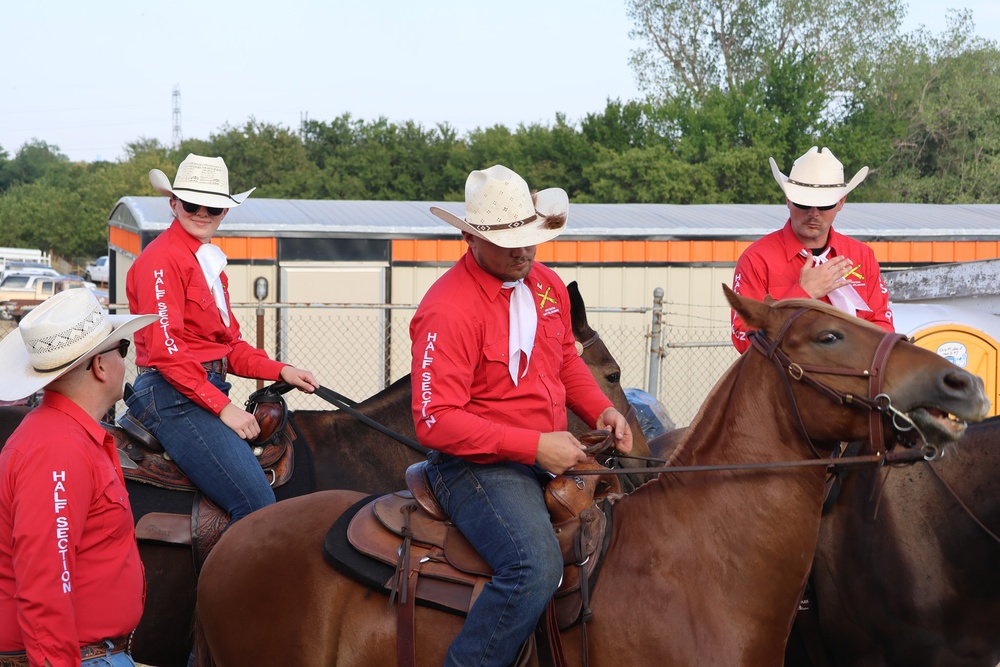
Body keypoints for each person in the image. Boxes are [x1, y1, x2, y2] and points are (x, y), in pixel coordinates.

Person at [410, 164, 633, 667]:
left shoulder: (547, 286)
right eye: (510, 240)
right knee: (532, 567)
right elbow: (435, 421)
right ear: (470, 238)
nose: (525, 251)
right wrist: (534, 446)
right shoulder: (447, 308)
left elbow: (566, 361)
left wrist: (599, 409)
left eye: (531, 237)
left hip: (544, 450)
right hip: (474, 465)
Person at [125, 154, 318, 523]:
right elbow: (167, 353)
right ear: (173, 204)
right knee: (258, 507)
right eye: (191, 204)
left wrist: (283, 370)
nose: (201, 213)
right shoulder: (162, 260)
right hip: (172, 396)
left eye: (212, 206)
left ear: (224, 212)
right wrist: (222, 407)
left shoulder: (207, 263)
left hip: (198, 389)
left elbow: (229, 349)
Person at [0, 289, 158, 667]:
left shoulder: (63, 437)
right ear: (100, 367)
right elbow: (45, 585)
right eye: (122, 348)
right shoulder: (58, 448)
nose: (126, 359)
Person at [731, 146, 894, 352]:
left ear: (841, 202)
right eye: (804, 203)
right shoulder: (756, 259)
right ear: (788, 200)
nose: (813, 213)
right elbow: (744, 340)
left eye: (824, 205)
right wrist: (802, 295)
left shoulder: (862, 256)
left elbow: (883, 328)